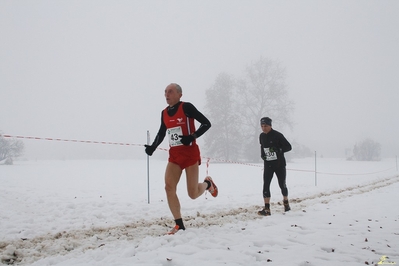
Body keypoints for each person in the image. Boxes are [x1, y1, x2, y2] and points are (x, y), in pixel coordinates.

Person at [144, 83, 218, 234]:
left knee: (192, 193)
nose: (167, 94)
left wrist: (192, 136)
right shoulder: (164, 113)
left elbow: (206, 123)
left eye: (170, 92)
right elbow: (162, 132)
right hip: (175, 156)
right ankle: (179, 224)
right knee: (168, 187)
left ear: (179, 94)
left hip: (190, 154)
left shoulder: (187, 107)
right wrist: (153, 146)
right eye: (165, 92)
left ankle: (207, 184)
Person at [258, 117, 292, 216]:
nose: (264, 128)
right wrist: (262, 155)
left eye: (266, 126)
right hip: (268, 164)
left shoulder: (278, 135)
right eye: (262, 126)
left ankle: (286, 203)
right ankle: (267, 208)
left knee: (282, 184)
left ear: (270, 126)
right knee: (266, 184)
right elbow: (262, 146)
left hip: (279, 164)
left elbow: (288, 147)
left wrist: (278, 150)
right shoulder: (262, 136)